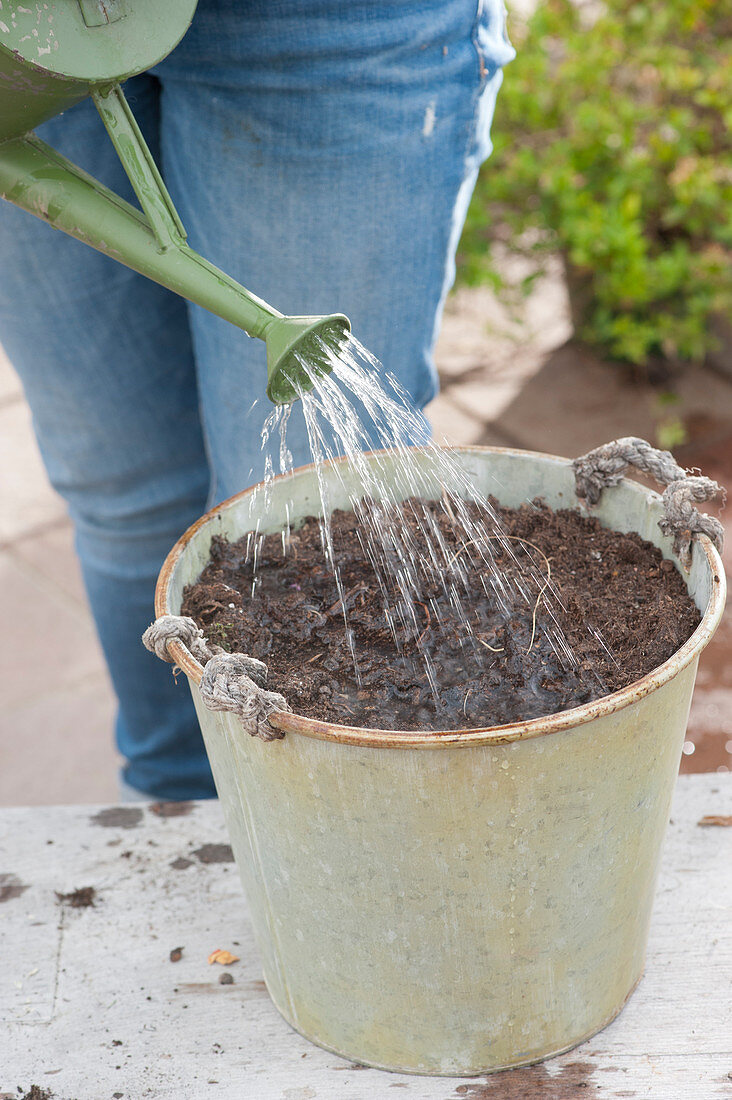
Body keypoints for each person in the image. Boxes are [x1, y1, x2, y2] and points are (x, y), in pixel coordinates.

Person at [0, 0, 514, 801]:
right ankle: (174, 804)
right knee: (124, 495)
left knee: (313, 517)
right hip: (22, 41)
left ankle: (336, 833)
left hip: (316, 26)